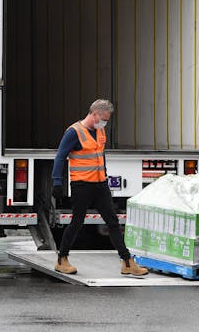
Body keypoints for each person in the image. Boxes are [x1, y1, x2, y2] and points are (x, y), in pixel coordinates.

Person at [51, 99, 148, 277]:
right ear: (94, 114)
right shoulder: (74, 132)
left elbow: (99, 155)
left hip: (100, 184)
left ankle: (127, 262)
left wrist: (104, 175)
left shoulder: (100, 130)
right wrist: (57, 182)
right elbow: (60, 157)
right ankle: (61, 259)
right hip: (82, 185)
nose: (105, 122)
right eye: (103, 118)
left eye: (106, 119)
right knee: (77, 222)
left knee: (113, 221)